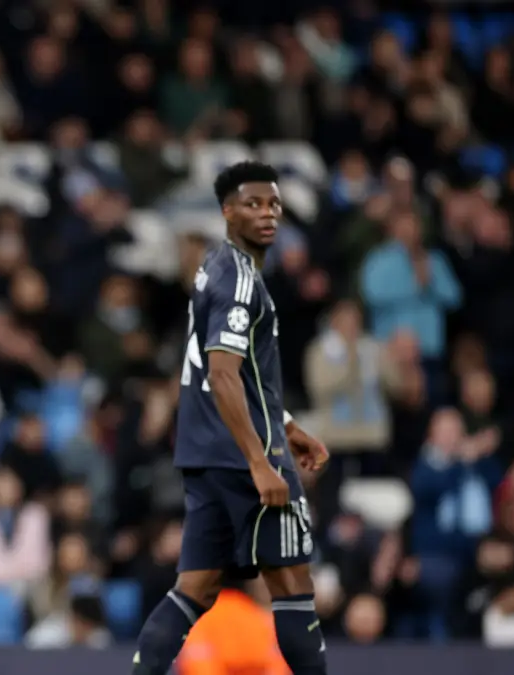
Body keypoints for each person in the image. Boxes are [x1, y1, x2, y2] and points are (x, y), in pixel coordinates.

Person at [133, 161, 331, 675]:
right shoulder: (240, 280)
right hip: (243, 456)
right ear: (227, 212)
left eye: (273, 204)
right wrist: (261, 460)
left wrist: (286, 425)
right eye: (252, 204)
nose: (267, 214)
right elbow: (222, 375)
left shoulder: (213, 270)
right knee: (292, 588)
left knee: (193, 591)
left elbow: (232, 374)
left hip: (204, 454)